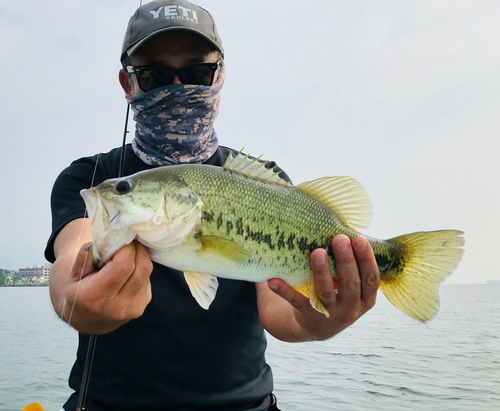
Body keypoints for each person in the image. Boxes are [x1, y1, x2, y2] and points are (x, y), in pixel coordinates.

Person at [45, 1, 380, 410]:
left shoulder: (265, 181)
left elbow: (281, 306)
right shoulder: (89, 178)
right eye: (153, 74)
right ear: (126, 83)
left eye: (197, 72)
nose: (177, 86)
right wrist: (73, 297)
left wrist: (320, 319)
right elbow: (69, 267)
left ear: (220, 76)